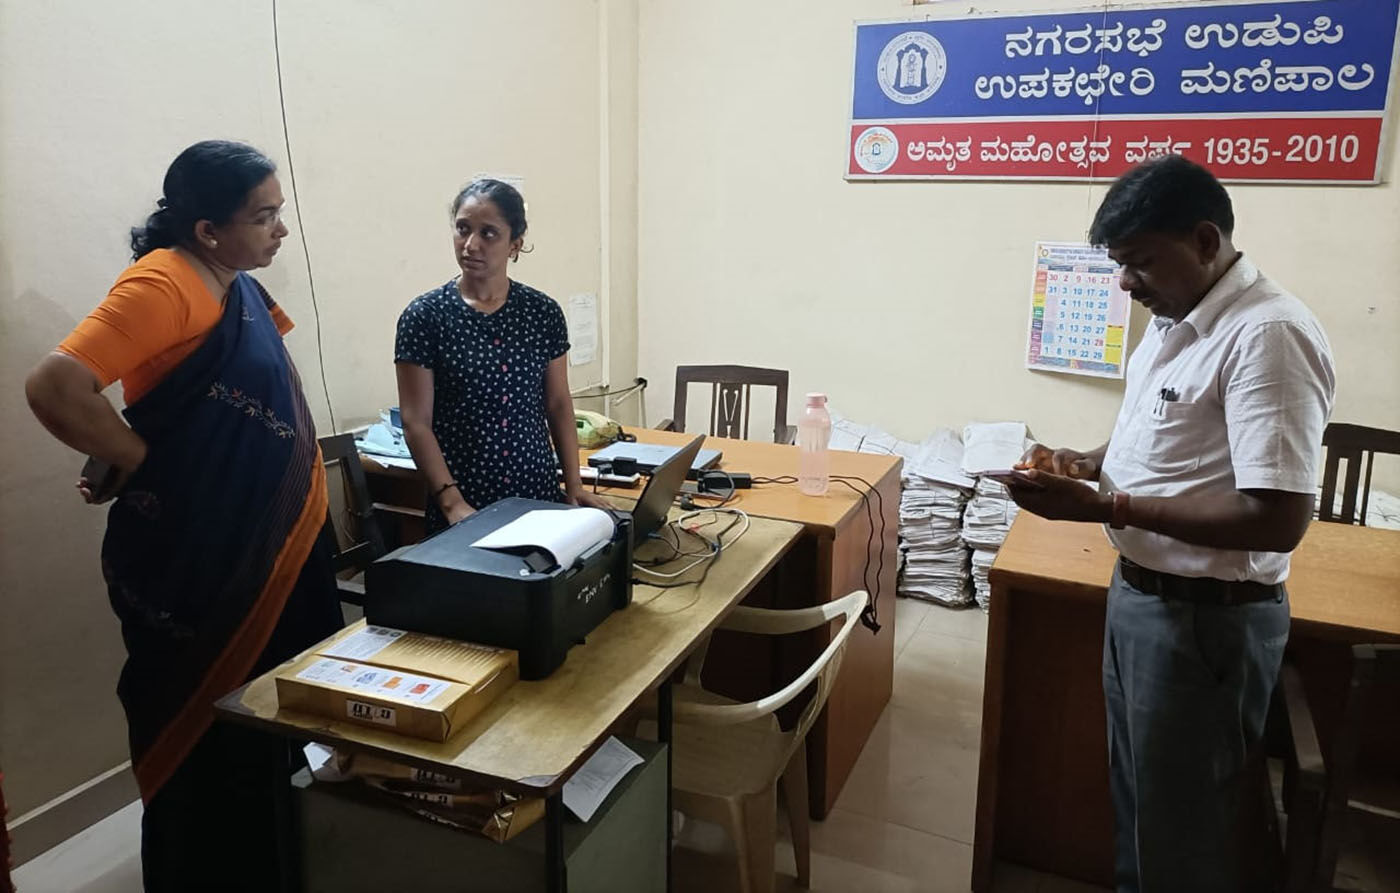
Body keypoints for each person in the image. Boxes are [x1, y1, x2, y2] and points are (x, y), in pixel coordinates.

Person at [1005, 156, 1334, 893]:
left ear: (1206, 241)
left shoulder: (1268, 334)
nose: (1126, 283)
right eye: (1119, 264)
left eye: (1141, 261)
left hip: (1206, 622)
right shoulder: (1174, 319)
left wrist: (1110, 507)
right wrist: (1085, 462)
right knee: (1143, 807)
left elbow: (1278, 517)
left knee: (1181, 829)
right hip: (1143, 596)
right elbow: (1163, 436)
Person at [24, 141, 343, 891]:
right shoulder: (164, 282)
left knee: (278, 720)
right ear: (207, 229)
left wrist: (156, 446)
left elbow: (216, 402)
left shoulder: (233, 284)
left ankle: (279, 862)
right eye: (263, 217)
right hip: (201, 561)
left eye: (280, 213)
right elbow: (55, 386)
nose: (281, 230)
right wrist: (142, 458)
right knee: (213, 731)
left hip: (275, 542)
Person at [395, 178, 610, 531]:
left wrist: (574, 486)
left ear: (515, 244)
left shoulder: (542, 312)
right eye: (463, 229)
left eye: (488, 233)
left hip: (538, 495)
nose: (471, 244)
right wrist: (452, 503)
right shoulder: (425, 317)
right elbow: (415, 421)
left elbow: (558, 403)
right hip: (466, 504)